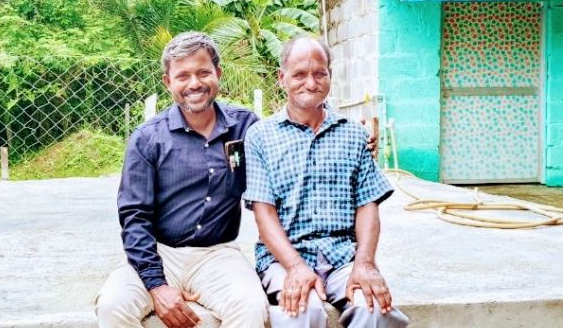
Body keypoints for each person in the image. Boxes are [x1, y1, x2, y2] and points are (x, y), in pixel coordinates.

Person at [94, 32, 268, 328]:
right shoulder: (148, 139)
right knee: (113, 306)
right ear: (168, 82)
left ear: (218, 74)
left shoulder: (245, 126)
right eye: (182, 75)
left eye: (203, 72)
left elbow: (288, 148)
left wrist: (350, 134)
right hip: (160, 252)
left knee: (250, 307)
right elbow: (134, 217)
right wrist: (157, 285)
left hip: (218, 255)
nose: (194, 84)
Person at [243, 35, 409, 328]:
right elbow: (263, 213)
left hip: (343, 255)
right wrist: (295, 267)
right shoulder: (261, 136)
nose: (311, 82)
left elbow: (368, 205)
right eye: (299, 74)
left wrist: (365, 263)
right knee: (302, 311)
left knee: (375, 309)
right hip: (285, 256)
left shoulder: (353, 134)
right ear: (282, 78)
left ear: (330, 76)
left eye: (320, 73)